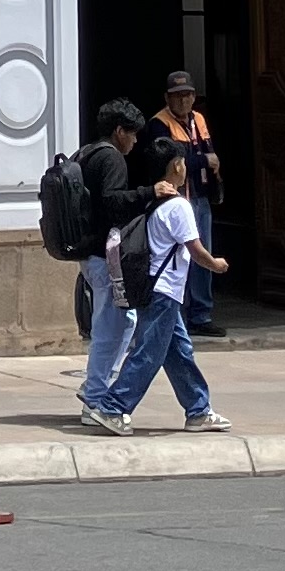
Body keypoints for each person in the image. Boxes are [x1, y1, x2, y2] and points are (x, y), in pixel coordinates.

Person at [88, 146, 231, 436]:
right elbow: (196, 250)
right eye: (183, 163)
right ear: (177, 166)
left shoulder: (155, 202)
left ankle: (198, 410)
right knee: (149, 353)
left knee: (179, 351)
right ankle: (113, 407)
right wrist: (215, 265)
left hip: (156, 289)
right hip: (163, 292)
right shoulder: (178, 206)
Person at [73, 96, 169, 421]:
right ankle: (94, 400)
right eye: (132, 133)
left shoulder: (86, 153)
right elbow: (112, 202)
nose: (135, 140)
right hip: (104, 257)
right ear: (119, 131)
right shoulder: (111, 158)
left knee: (125, 321)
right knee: (110, 329)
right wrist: (150, 192)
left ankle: (97, 385)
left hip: (91, 254)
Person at [148, 73, 226, 337]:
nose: (184, 100)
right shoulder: (159, 124)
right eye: (178, 96)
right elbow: (169, 163)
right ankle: (178, 314)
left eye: (188, 95)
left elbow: (208, 153)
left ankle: (201, 315)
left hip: (200, 198)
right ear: (167, 98)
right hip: (176, 199)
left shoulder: (199, 119)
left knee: (203, 253)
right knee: (180, 256)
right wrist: (204, 161)